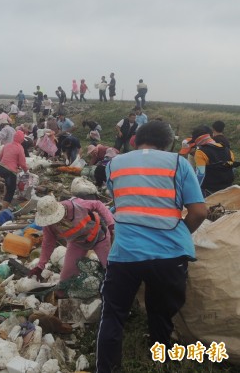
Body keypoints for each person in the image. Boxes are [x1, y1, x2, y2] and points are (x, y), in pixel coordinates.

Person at [95, 120, 207, 373]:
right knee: (161, 311)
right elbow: (199, 211)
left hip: (125, 253)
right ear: (168, 143)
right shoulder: (178, 163)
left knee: (113, 314)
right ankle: (161, 358)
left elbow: (123, 203)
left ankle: (107, 368)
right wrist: (180, 233)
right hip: (169, 255)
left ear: (135, 139)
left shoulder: (114, 164)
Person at [28, 194, 114, 291]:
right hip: (77, 243)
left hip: (99, 236)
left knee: (110, 269)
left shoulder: (76, 205)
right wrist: (40, 267)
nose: (54, 222)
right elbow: (47, 244)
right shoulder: (49, 225)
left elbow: (98, 205)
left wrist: (111, 224)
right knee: (65, 279)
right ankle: (62, 299)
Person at [191, 125, 235, 196]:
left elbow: (200, 174)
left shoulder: (200, 152)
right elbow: (232, 169)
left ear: (197, 140)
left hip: (209, 190)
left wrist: (194, 190)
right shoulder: (227, 150)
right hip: (227, 189)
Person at [0, 130, 28, 209]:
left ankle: (4, 201)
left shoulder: (7, 145)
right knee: (11, 190)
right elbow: (22, 163)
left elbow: (0, 157)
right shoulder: (19, 148)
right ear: (21, 139)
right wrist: (26, 171)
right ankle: (3, 210)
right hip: (9, 171)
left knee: (7, 184)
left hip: (0, 168)